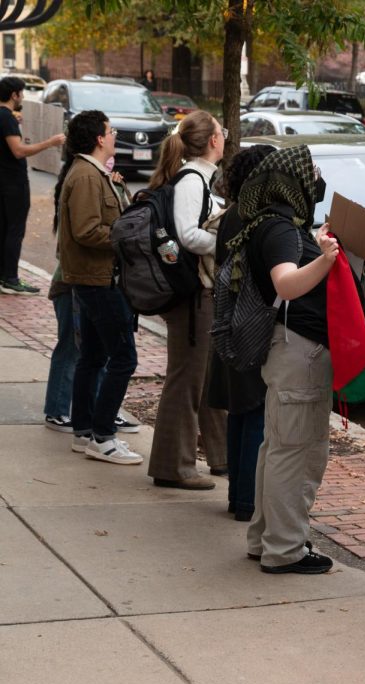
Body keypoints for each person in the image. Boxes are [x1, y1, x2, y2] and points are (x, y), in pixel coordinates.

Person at [229, 145, 337, 574]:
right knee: (297, 452)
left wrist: (315, 245)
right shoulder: (278, 229)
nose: (317, 177)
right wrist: (326, 260)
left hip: (290, 350)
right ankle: (285, 549)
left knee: (278, 448)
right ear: (292, 182)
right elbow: (287, 284)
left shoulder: (276, 225)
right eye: (311, 171)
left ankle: (264, 539)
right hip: (300, 353)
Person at [146, 111, 228, 490]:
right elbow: (187, 235)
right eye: (221, 131)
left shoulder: (202, 180)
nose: (225, 136)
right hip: (192, 297)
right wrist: (227, 245)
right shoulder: (192, 180)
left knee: (207, 378)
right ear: (212, 141)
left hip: (203, 294)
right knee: (186, 380)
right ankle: (172, 467)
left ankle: (221, 457)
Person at [55, 110, 141, 465]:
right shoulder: (87, 176)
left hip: (94, 279)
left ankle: (85, 430)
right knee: (124, 358)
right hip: (97, 280)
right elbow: (88, 230)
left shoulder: (93, 173)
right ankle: (103, 435)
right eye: (110, 130)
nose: (114, 135)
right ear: (97, 138)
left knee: (93, 357)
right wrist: (128, 238)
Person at [208, 144, 274, 522]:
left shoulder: (234, 214)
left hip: (230, 320)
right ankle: (247, 499)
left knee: (239, 411)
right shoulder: (258, 217)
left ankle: (237, 495)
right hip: (252, 322)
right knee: (255, 412)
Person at [1, 76, 66, 295]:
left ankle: (4, 275)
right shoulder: (6, 117)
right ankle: (10, 278)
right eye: (22, 93)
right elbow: (18, 151)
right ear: (14, 95)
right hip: (13, 184)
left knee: (5, 228)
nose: (23, 97)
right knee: (15, 230)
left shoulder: (5, 116)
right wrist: (51, 142)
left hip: (4, 182)